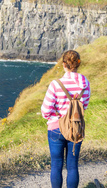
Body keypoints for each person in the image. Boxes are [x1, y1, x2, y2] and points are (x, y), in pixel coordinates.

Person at [41, 50, 91, 188]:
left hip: (56, 128)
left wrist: (56, 116)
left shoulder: (56, 84)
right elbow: (84, 106)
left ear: (64, 64)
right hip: (75, 127)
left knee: (56, 165)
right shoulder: (85, 83)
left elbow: (45, 111)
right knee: (73, 166)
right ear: (78, 64)